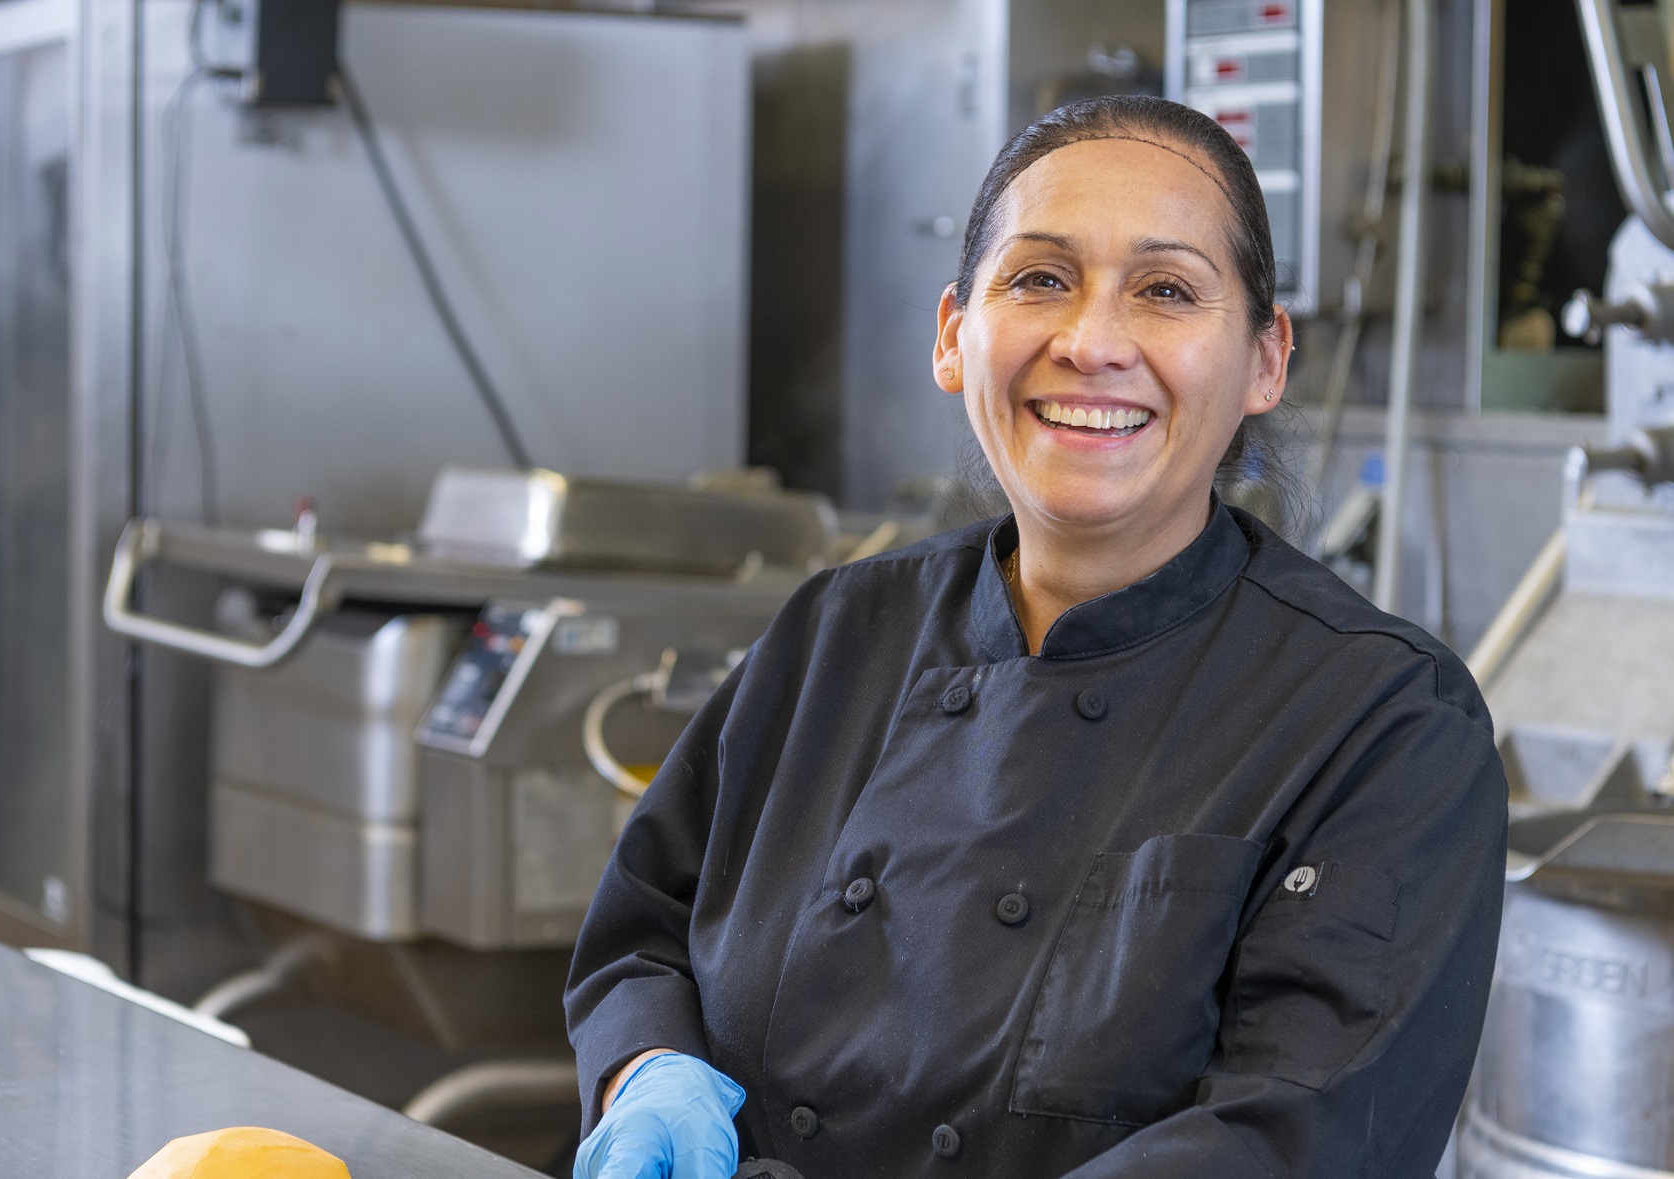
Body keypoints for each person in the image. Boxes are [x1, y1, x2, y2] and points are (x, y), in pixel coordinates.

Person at [564, 95, 1507, 1179]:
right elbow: (643, 932)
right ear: (954, 336)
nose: (1093, 342)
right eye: (1040, 279)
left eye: (1165, 291)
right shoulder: (833, 631)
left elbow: (1295, 1140)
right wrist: (647, 1073)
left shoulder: (1382, 722)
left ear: (1264, 358)